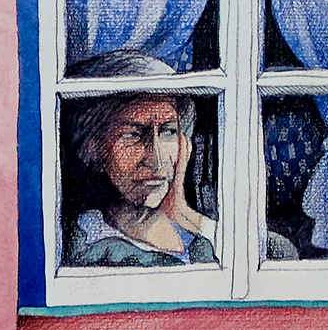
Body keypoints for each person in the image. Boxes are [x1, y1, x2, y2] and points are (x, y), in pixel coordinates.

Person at [63, 53, 218, 267]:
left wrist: (182, 211)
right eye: (132, 135)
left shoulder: (196, 232)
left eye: (169, 131)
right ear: (93, 147)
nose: (156, 160)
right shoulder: (88, 242)